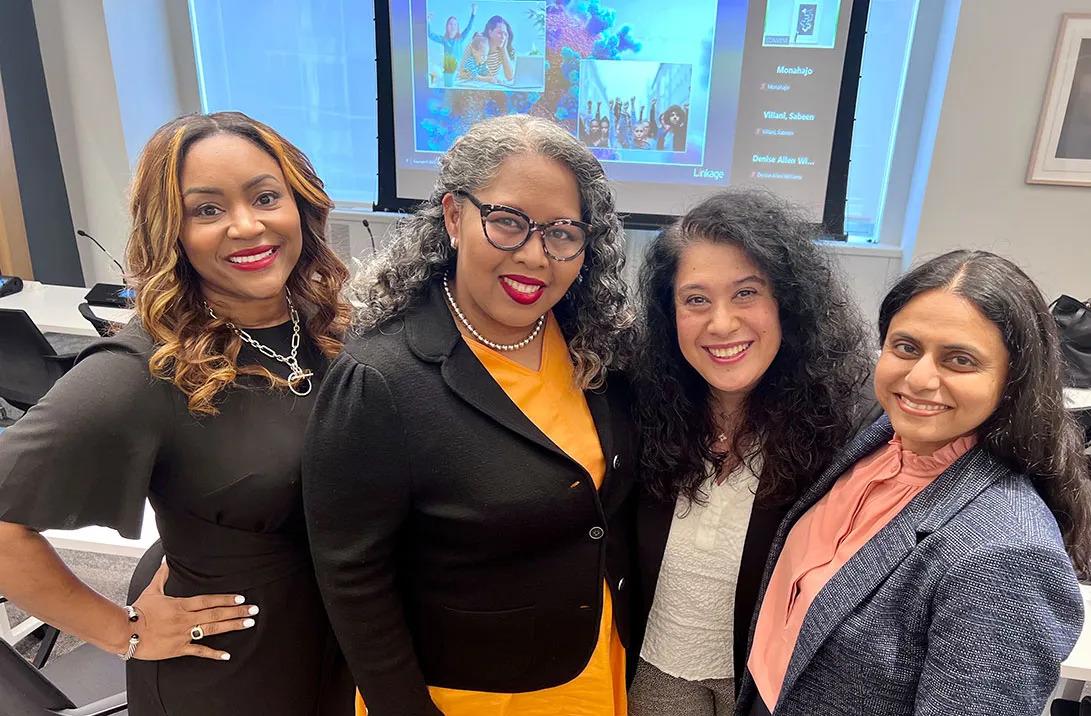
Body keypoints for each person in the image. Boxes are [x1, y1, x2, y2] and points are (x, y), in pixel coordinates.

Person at [0, 111, 354, 715]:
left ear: (301, 206)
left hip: (339, 648)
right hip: (230, 676)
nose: (247, 226)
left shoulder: (331, 334)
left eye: (266, 197)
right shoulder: (143, 369)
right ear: (173, 233)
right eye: (207, 210)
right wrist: (125, 632)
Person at [302, 114, 636, 716]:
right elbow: (353, 579)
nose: (536, 256)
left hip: (589, 669)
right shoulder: (382, 378)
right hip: (463, 696)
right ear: (455, 216)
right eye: (507, 222)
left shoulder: (597, 351)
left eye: (563, 232)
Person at [740, 250, 1091, 716]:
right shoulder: (875, 439)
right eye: (906, 347)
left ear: (1013, 379)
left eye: (960, 360)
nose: (920, 378)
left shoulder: (1006, 552)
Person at [627, 190, 874, 716]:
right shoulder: (637, 405)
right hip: (655, 672)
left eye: (746, 293)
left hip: (768, 685)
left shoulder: (848, 424)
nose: (721, 323)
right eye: (695, 299)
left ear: (789, 301)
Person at [427, 4, 477, 76]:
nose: (452, 26)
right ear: (447, 27)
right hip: (449, 69)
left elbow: (469, 28)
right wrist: (428, 21)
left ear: (457, 27)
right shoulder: (444, 40)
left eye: (455, 24)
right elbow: (430, 35)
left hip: (460, 68)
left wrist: (473, 13)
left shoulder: (460, 38)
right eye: (450, 24)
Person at [482, 15, 516, 83]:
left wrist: (503, 49)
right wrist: (486, 79)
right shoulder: (477, 44)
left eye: (505, 34)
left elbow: (510, 77)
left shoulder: (504, 51)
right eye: (499, 33)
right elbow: (464, 72)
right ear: (490, 32)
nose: (503, 37)